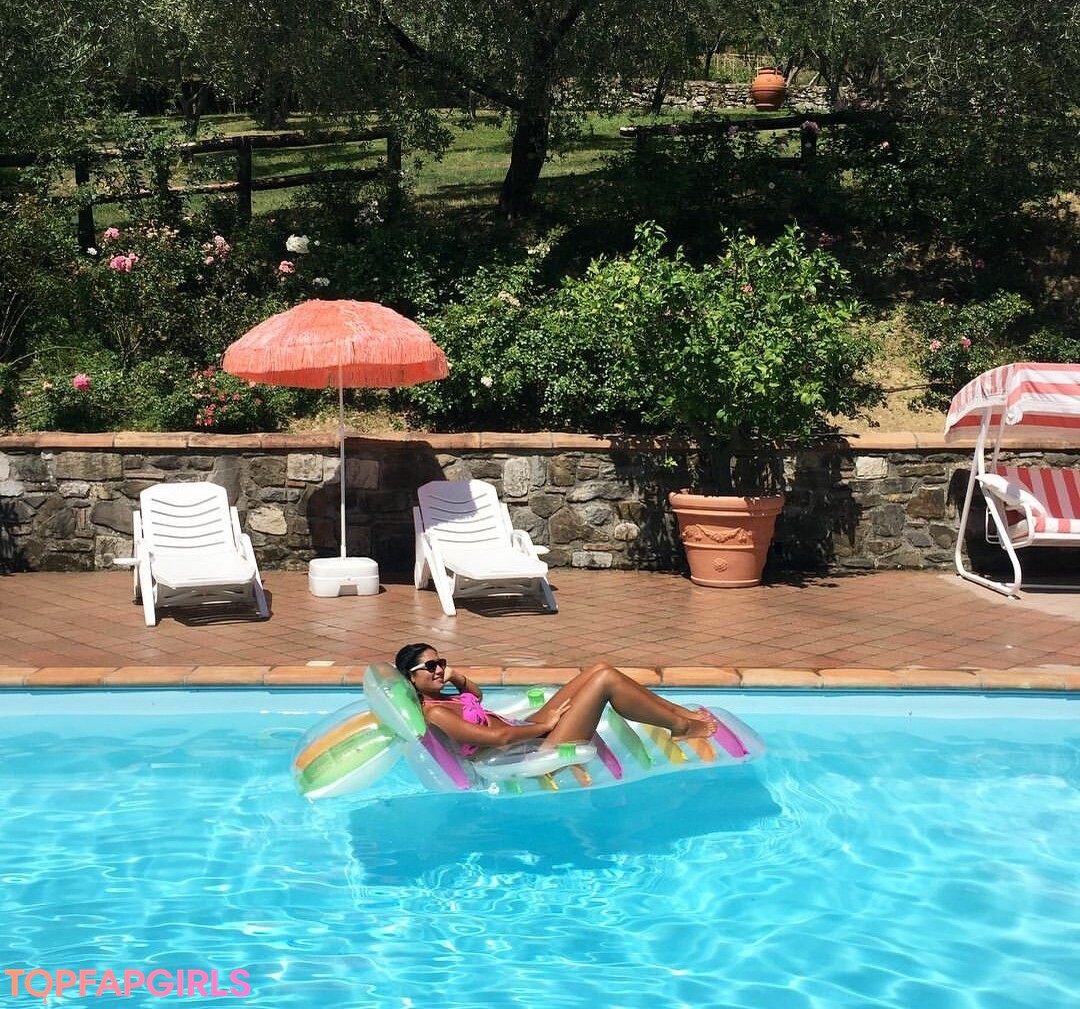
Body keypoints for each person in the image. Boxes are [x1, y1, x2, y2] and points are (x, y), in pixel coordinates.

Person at [393, 642, 718, 756]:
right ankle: (680, 727)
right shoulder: (435, 714)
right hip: (529, 747)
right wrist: (545, 725)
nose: (439, 669)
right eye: (430, 667)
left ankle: (674, 711)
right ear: (411, 678)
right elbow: (498, 738)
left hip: (525, 729)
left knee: (600, 668)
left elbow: (475, 696)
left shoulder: (443, 697)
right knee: (605, 681)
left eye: (441, 662)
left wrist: (455, 677)